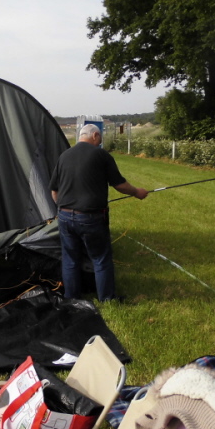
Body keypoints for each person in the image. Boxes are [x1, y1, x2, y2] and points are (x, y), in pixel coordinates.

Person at [49, 124, 148, 302]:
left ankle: (71, 298)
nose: (100, 141)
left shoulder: (64, 156)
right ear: (95, 135)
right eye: (100, 137)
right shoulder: (101, 155)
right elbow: (119, 184)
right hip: (91, 217)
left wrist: (62, 210)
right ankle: (107, 299)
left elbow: (54, 191)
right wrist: (137, 192)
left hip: (64, 215)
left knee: (70, 259)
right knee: (100, 258)